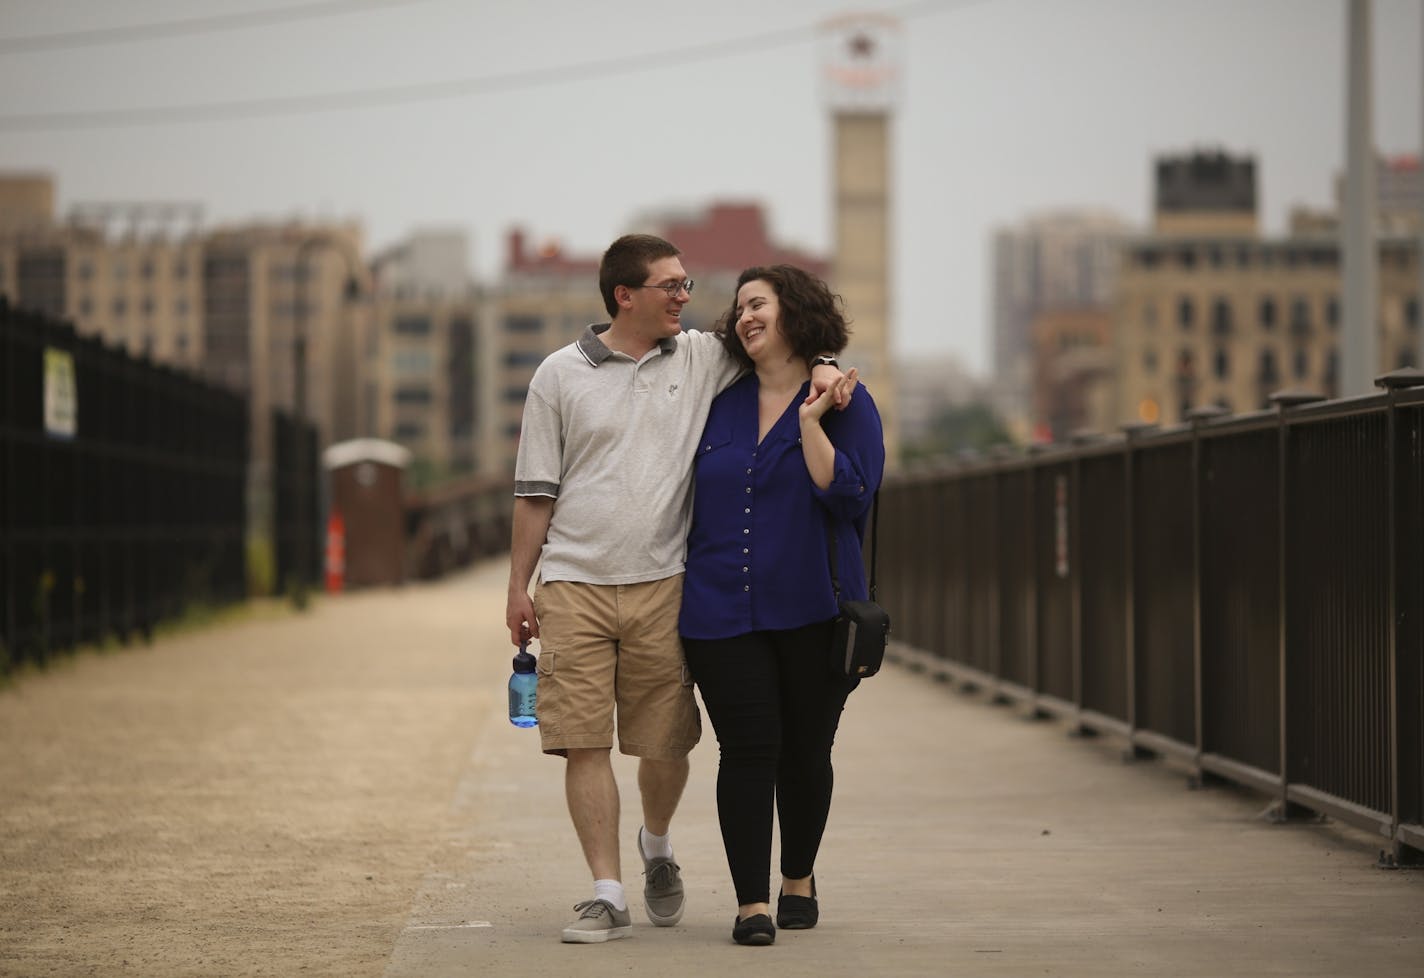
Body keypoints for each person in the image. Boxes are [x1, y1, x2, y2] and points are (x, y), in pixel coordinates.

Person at [506, 235, 854, 944]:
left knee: (665, 743)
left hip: (665, 582)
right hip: (572, 582)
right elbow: (536, 492)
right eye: (670, 286)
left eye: (688, 284)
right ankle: (606, 892)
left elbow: (777, 345)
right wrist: (519, 585)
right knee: (581, 741)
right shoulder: (558, 375)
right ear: (623, 296)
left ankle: (656, 843)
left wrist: (823, 365)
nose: (685, 297)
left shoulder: (699, 357)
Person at [679, 265, 885, 947]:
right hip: (719, 610)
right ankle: (751, 903)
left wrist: (810, 423)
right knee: (746, 750)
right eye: (738, 309)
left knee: (803, 751)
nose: (744, 317)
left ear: (794, 311)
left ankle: (798, 877)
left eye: (758, 303)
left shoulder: (848, 403)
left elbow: (851, 498)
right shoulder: (718, 401)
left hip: (814, 609)